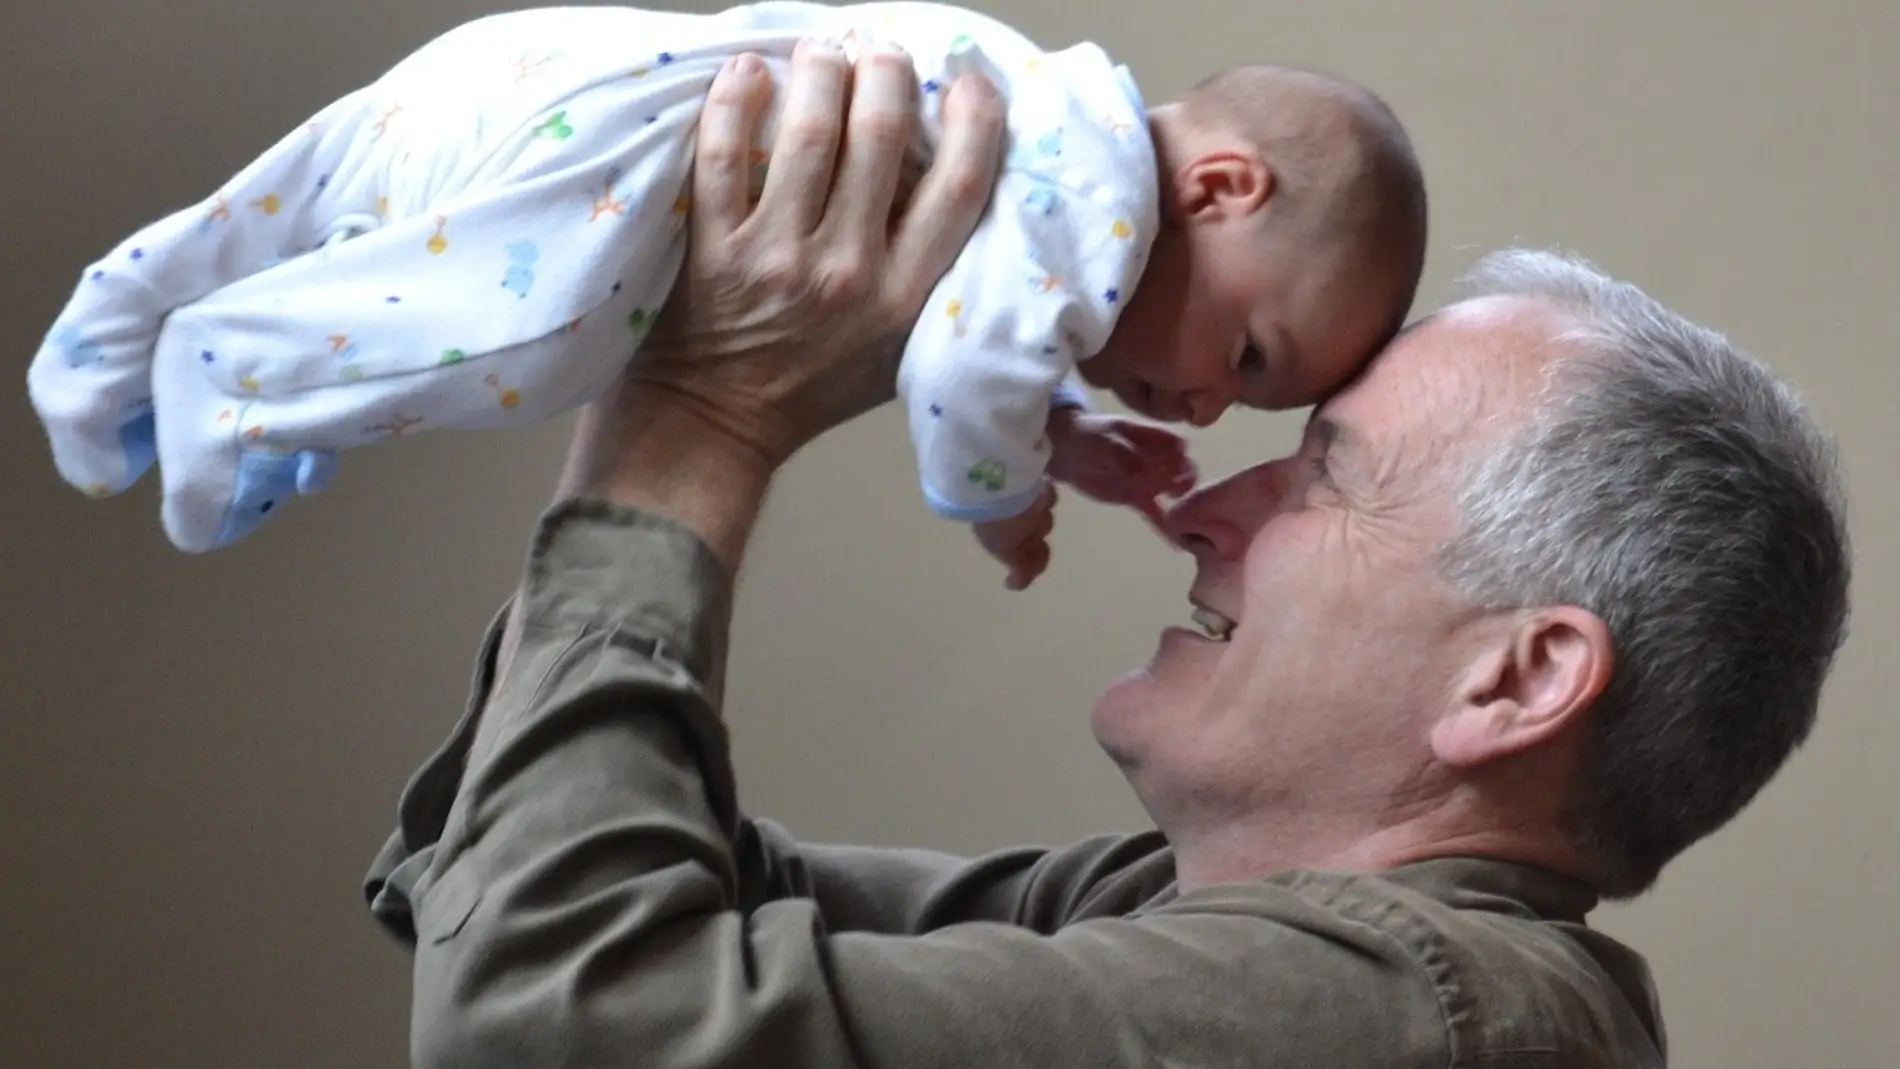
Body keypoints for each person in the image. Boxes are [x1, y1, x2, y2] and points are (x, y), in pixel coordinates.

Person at [360, 42, 1851, 1069]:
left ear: (1518, 679)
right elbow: (518, 873)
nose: (1204, 506)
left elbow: (548, 1014)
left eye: (1324, 476)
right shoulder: (1189, 917)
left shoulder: (1404, 1010)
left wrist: (696, 414)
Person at [25, 2, 1426, 592]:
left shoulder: (1054, 116)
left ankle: (116, 344)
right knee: (529, 345)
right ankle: (235, 378)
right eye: (1249, 356)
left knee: (317, 203)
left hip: (550, 69)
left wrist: (1064, 427)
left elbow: (987, 321)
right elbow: (954, 382)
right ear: (1221, 187)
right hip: (617, 167)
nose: (1202, 403)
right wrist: (1001, 494)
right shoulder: (1094, 191)